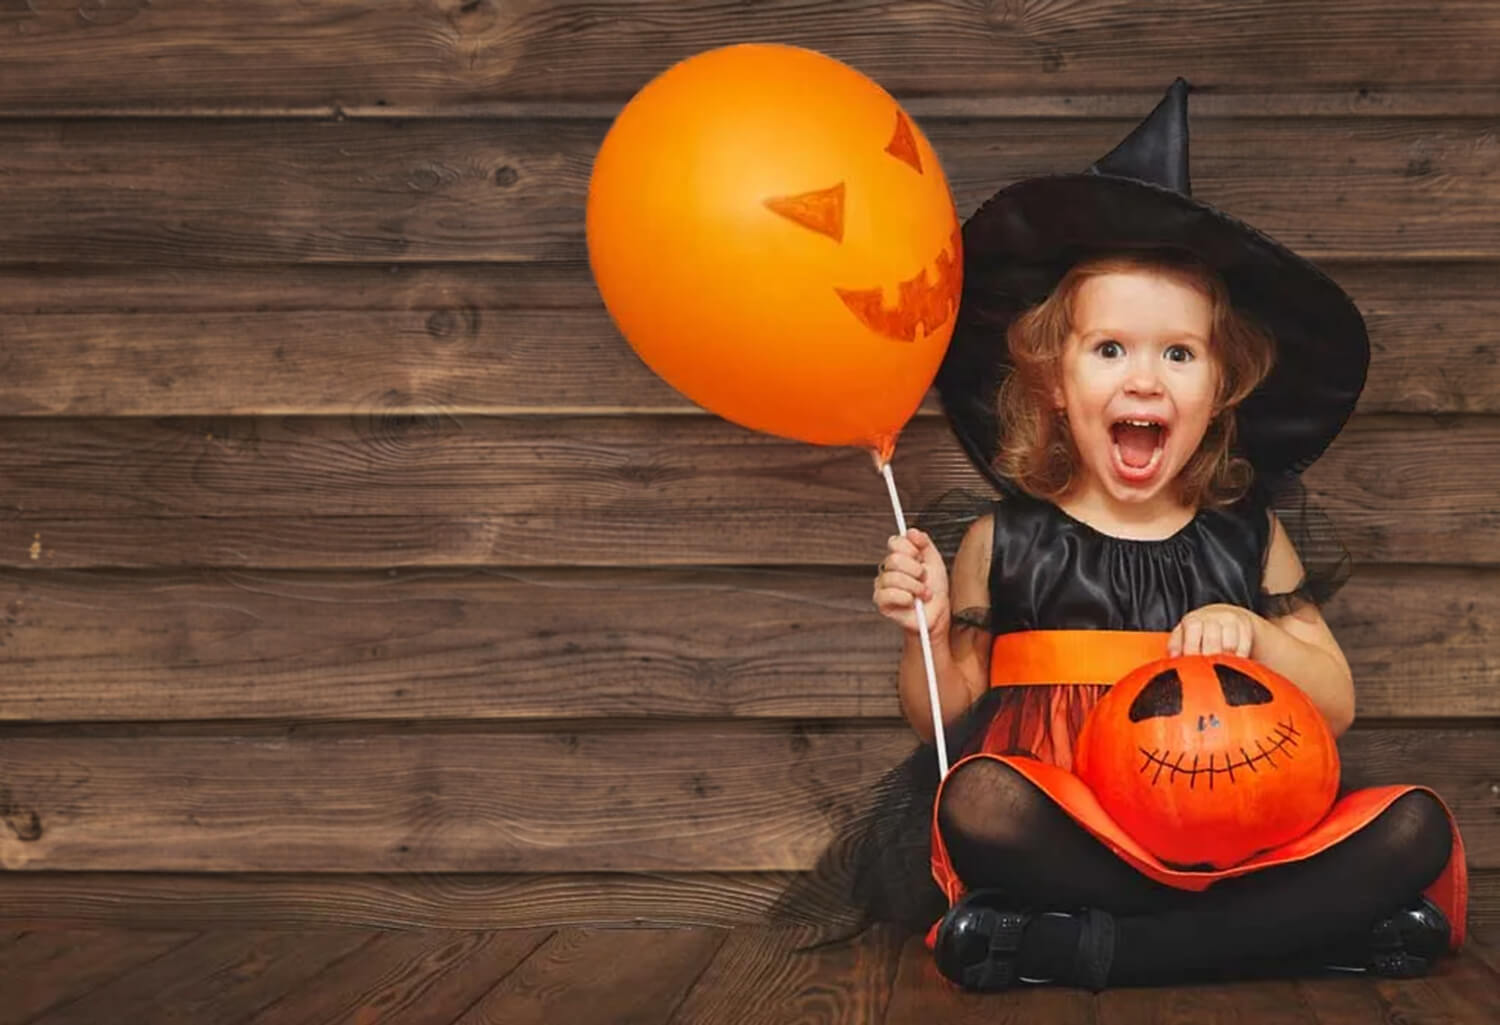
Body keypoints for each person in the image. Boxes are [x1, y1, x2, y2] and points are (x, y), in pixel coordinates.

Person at [868, 79, 1466, 991]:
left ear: (1220, 386)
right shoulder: (1003, 538)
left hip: (1234, 821)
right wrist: (931, 635)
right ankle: (1286, 936)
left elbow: (1335, 701)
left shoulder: (1248, 539)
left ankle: (1092, 947)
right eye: (1110, 349)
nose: (1144, 380)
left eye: (1177, 353)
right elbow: (943, 719)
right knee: (976, 799)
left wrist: (1258, 633)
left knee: (1415, 823)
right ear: (1053, 382)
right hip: (1081, 832)